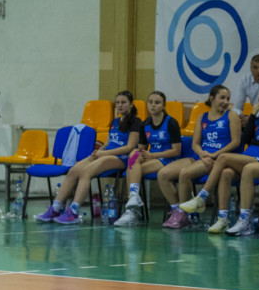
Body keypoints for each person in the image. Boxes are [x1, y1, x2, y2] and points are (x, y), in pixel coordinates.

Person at [180, 87, 259, 234]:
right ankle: (223, 219)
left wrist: (255, 142)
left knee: (223, 157)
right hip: (249, 156)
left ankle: (202, 197)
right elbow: (247, 138)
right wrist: (253, 114)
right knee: (226, 173)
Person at [35, 91, 142, 224]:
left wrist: (104, 154)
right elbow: (108, 143)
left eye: (124, 102)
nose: (120, 105)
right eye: (118, 103)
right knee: (73, 171)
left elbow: (130, 147)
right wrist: (98, 151)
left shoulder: (136, 122)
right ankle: (56, 208)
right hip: (106, 153)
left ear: (131, 104)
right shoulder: (115, 122)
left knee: (86, 172)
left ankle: (73, 212)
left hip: (122, 158)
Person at [156, 84, 241, 229]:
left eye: (228, 98)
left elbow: (236, 142)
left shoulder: (232, 115)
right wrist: (202, 154)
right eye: (222, 98)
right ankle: (177, 209)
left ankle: (184, 216)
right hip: (202, 156)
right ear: (212, 98)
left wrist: (215, 154)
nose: (226, 101)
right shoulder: (202, 117)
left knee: (185, 173)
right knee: (163, 174)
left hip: (220, 159)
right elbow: (195, 144)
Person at [113, 90, 181, 226]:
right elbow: (141, 148)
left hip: (167, 160)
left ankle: (133, 210)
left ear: (163, 106)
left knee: (131, 171)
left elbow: (176, 151)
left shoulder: (171, 123)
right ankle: (133, 199)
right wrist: (136, 154)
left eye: (157, 103)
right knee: (133, 158)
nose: (153, 105)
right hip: (152, 158)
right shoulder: (145, 124)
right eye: (150, 102)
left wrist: (153, 155)